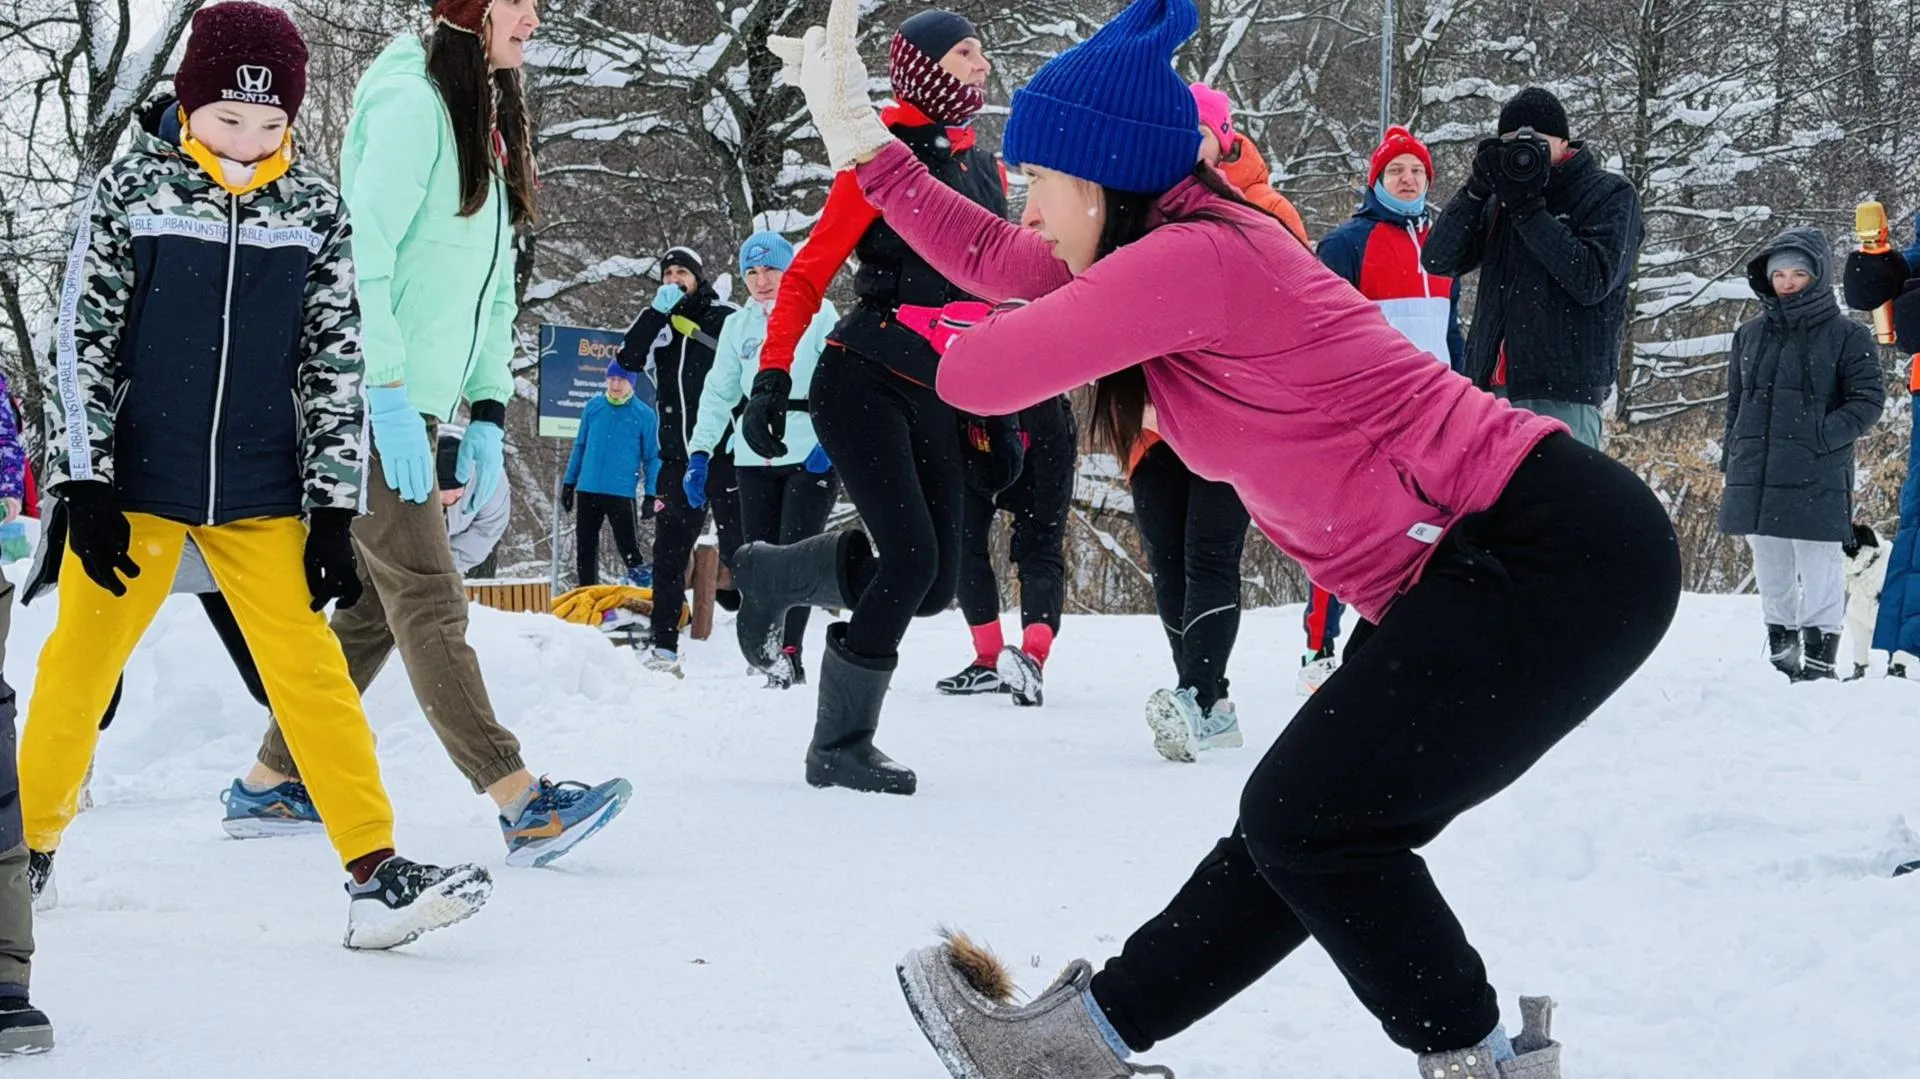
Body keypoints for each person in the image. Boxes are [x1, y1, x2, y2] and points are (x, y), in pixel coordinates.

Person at [772, 0, 1682, 1074]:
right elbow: (993, 258)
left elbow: (980, 369)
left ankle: (1479, 1060)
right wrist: (868, 153)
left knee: (1311, 820)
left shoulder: (1195, 261)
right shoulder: (1170, 245)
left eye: (1041, 182)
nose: (1027, 205)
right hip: (1490, 560)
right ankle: (1079, 1043)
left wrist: (868, 325)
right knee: (1295, 835)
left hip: (1546, 549)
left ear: (1100, 180)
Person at [24, 2, 491, 947]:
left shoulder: (312, 211)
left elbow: (332, 364)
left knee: (310, 674)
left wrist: (329, 509)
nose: (248, 142)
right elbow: (84, 339)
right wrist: (84, 482)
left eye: (271, 124)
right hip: (137, 490)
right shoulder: (133, 194)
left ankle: (374, 870)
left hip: (260, 493)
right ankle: (19, 859)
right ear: (189, 103)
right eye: (228, 120)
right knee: (79, 665)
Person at [233, 0, 631, 869]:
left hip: (416, 404)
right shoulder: (412, 105)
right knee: (428, 591)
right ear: (473, 10)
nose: (534, 17)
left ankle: (268, 780)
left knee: (375, 613)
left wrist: (486, 409)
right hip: (358, 392)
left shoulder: (482, 115)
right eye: (519, 2)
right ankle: (519, 799)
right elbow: (358, 256)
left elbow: (493, 289)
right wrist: (378, 389)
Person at [733, 8, 1006, 795]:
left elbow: (993, 299)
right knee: (912, 557)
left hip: (942, 390)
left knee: (938, 584)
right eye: (965, 53)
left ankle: (778, 573)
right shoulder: (877, 154)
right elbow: (810, 270)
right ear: (923, 64)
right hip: (863, 377)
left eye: (983, 53)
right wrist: (771, 372)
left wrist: (1000, 412)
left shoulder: (981, 170)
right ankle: (839, 744)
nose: (982, 66)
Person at [1299, 125, 1466, 693]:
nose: (1408, 178)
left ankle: (1406, 637)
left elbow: (1452, 329)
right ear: (1376, 181)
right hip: (1369, 408)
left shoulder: (1444, 246)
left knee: (1430, 528)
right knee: (1351, 526)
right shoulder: (1348, 243)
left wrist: (1468, 390)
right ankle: (1318, 644)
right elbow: (1322, 330)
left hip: (1438, 407)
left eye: (1417, 170)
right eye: (1396, 170)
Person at [1422, 86, 1644, 450]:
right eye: (1510, 142)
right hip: (1487, 393)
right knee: (1488, 507)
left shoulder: (1609, 194)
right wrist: (1476, 189)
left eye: (1536, 141)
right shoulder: (1499, 198)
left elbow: (1591, 278)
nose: (1524, 152)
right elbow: (1438, 260)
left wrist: (1527, 208)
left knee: (1557, 506)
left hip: (1562, 396)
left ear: (1564, 143)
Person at [1719, 229, 1884, 680]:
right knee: (1770, 565)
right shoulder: (1749, 335)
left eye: (1798, 273)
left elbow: (1868, 400)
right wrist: (1732, 456)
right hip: (1755, 471)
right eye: (1779, 274)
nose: (1788, 282)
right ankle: (1782, 656)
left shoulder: (1847, 334)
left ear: (1817, 276)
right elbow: (1735, 403)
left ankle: (1818, 663)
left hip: (1817, 471)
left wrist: (1820, 434)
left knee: (1819, 566)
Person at [687, 230, 840, 688]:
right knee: (759, 559)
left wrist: (831, 442)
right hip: (753, 454)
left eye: (770, 269)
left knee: (795, 555)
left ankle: (789, 654)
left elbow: (840, 382)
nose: (761, 280)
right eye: (751, 272)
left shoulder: (820, 314)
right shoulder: (739, 326)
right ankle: (764, 650)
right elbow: (718, 393)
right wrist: (699, 450)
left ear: (789, 269)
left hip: (809, 449)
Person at [615, 245, 739, 677]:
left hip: (724, 453)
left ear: (698, 278)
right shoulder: (658, 324)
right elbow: (627, 360)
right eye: (666, 273)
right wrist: (655, 313)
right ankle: (664, 645)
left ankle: (760, 638)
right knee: (668, 555)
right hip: (675, 460)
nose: (673, 280)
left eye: (681, 272)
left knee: (743, 549)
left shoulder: (724, 317)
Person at [938, 395, 1076, 707]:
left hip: (997, 422)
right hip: (998, 423)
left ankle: (1021, 660)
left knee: (974, 542)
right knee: (1028, 544)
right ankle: (1009, 661)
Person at [561, 363, 662, 588]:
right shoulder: (593, 407)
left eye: (621, 380)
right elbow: (580, 446)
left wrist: (651, 494)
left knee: (629, 551)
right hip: (588, 489)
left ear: (631, 383)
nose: (615, 384)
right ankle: (587, 597)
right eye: (612, 379)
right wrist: (569, 483)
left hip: (620, 492)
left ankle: (646, 595)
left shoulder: (644, 415)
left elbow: (652, 458)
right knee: (585, 550)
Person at [1188, 82, 1308, 244]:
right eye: (1182, 132)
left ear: (1222, 145)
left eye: (1201, 133)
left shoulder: (1270, 207)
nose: (1189, 142)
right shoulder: (1160, 201)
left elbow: (1300, 267)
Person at [438, 429, 514, 575]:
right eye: (441, 499)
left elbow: (486, 531)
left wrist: (445, 567)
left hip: (458, 552)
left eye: (456, 495)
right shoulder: (401, 472)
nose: (449, 500)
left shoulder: (492, 482)